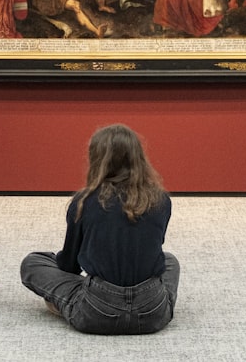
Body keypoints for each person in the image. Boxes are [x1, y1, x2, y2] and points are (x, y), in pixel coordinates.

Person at [20, 124, 179, 335]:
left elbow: (70, 264)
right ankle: (158, 307)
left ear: (96, 159)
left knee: (33, 263)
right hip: (151, 312)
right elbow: (150, 249)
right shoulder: (161, 200)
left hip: (97, 310)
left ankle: (70, 304)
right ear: (139, 158)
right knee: (170, 261)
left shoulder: (84, 201)